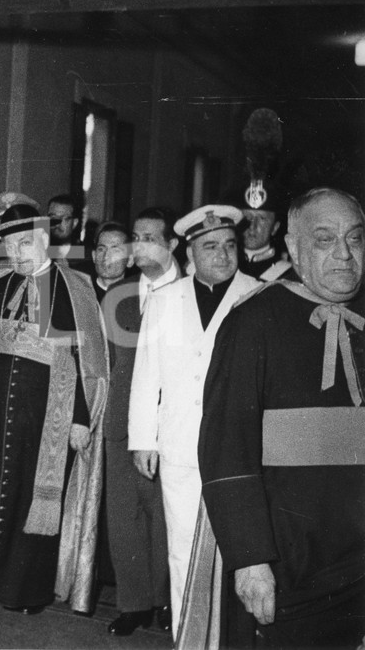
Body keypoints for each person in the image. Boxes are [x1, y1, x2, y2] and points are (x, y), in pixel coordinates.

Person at [197, 187, 365, 647]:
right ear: (293, 247)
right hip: (286, 569)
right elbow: (225, 448)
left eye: (356, 238)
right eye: (325, 239)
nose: (345, 255)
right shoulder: (253, 321)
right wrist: (251, 559)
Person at [0, 203, 108, 614]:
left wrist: (81, 419)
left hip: (46, 409)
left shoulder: (76, 287)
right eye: (10, 244)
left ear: (45, 241)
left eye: (24, 243)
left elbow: (91, 362)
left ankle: (24, 592)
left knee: (31, 499)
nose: (16, 253)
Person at [128, 204, 259, 637]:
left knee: (241, 549)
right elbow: (147, 374)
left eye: (229, 245)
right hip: (180, 444)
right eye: (210, 247)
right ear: (190, 253)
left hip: (242, 450)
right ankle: (188, 638)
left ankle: (235, 639)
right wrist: (144, 439)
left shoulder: (258, 296)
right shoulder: (166, 301)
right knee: (182, 548)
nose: (222, 255)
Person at [100, 208, 180, 636]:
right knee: (125, 518)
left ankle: (166, 600)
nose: (139, 244)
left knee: (165, 516)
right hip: (121, 422)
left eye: (150, 237)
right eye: (136, 235)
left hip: (172, 427)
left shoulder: (190, 293)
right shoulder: (120, 294)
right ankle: (132, 604)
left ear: (172, 245)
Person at [91, 221, 132, 303]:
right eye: (101, 249)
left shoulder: (138, 300)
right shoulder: (79, 294)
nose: (106, 256)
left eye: (115, 251)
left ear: (130, 260)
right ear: (94, 256)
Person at [47, 194, 89, 271]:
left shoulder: (85, 255)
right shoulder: (39, 252)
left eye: (65, 218)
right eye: (53, 217)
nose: (57, 223)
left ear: (74, 223)